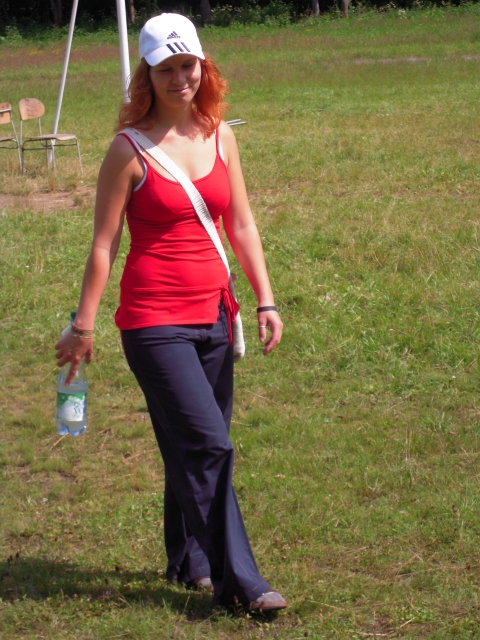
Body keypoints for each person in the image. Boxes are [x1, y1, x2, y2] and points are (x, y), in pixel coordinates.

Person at [54, 13, 286, 612]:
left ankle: (189, 561)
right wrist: (83, 326)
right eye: (166, 69)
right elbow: (104, 244)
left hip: (215, 316)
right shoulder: (128, 150)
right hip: (154, 325)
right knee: (209, 447)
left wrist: (265, 298)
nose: (180, 78)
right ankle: (242, 585)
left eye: (188, 66)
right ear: (147, 75)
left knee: (192, 444)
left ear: (203, 66)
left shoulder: (220, 135)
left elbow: (241, 223)